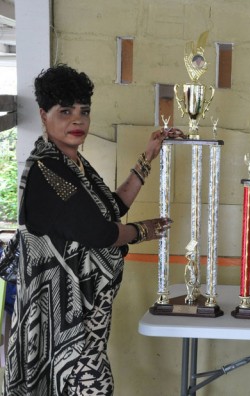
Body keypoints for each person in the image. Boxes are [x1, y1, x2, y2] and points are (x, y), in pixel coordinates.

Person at [3, 64, 182, 395]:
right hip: (60, 323)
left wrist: (147, 157)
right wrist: (143, 231)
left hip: (83, 322)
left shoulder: (74, 166)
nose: (78, 120)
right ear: (44, 115)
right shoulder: (48, 170)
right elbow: (100, 232)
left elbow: (112, 208)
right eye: (66, 111)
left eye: (84, 111)